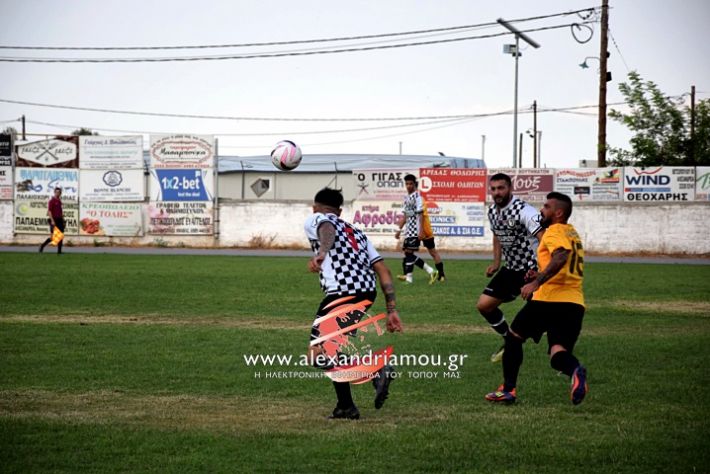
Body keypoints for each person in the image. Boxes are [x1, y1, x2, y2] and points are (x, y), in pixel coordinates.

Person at [305, 187, 403, 420]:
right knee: (332, 350)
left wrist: (321, 253)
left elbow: (326, 228)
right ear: (340, 210)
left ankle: (375, 371)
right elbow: (383, 269)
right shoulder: (357, 233)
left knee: (317, 353)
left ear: (315, 207)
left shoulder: (316, 219)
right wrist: (392, 310)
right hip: (365, 294)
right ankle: (345, 406)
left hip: (342, 293)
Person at [485, 192, 588, 405]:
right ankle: (575, 371)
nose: (541, 209)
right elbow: (562, 261)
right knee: (557, 353)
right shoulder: (572, 233)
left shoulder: (553, 232)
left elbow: (561, 256)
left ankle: (508, 389)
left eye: (546, 206)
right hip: (574, 303)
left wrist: (536, 282)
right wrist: (537, 273)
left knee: (513, 338)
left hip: (548, 300)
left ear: (558, 213)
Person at [477, 173, 543, 362]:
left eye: (501, 188)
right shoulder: (492, 212)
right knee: (484, 306)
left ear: (510, 188)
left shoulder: (524, 211)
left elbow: (544, 238)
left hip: (531, 270)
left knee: (543, 316)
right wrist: (496, 263)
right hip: (511, 268)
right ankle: (508, 340)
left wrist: (541, 271)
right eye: (494, 188)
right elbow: (497, 236)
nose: (497, 192)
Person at [394, 174, 445, 284]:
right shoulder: (407, 198)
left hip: (422, 230)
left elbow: (421, 215)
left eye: (410, 183)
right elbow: (406, 215)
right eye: (406, 184)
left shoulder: (418, 197)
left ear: (414, 184)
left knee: (431, 252)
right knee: (407, 252)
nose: (408, 186)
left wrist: (421, 231)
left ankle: (439, 274)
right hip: (411, 231)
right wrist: (399, 229)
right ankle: (408, 276)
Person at [39, 187, 65, 254]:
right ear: (54, 192)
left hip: (59, 220)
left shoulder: (59, 201)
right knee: (53, 237)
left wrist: (63, 220)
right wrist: (52, 220)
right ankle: (42, 246)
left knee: (60, 236)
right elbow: (49, 211)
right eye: (56, 192)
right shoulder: (51, 201)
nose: (57, 193)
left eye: (59, 192)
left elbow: (61, 212)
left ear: (60, 193)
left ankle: (59, 252)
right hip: (54, 219)